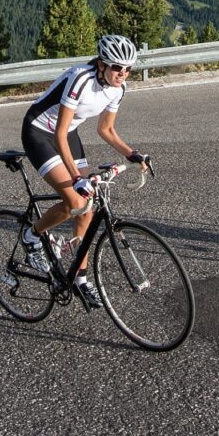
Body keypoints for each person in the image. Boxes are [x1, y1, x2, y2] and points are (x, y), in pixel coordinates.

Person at [19, 33, 150, 305]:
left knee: (88, 204)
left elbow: (106, 129)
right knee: (76, 200)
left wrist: (133, 154)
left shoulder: (118, 88)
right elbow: (58, 132)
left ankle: (79, 278)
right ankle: (32, 235)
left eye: (128, 68)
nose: (122, 73)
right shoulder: (81, 78)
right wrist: (77, 177)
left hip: (68, 134)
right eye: (116, 67)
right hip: (40, 132)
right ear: (102, 64)